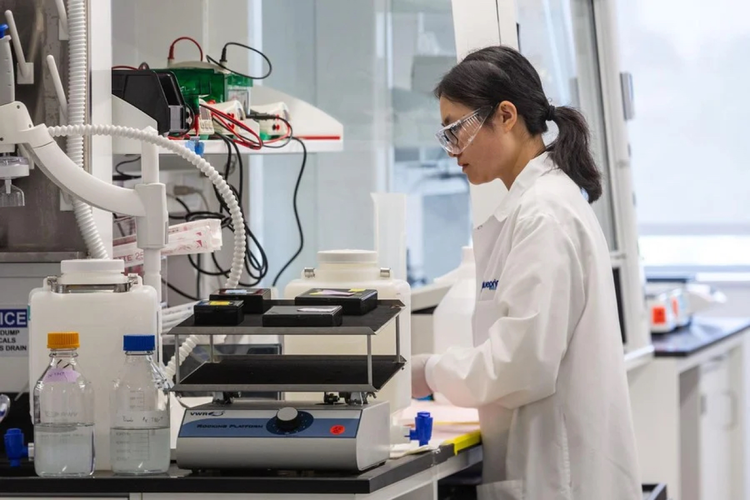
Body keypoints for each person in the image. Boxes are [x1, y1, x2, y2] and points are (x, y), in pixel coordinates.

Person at [411, 45, 641, 500]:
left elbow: (522, 364)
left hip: (561, 479)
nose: (452, 150)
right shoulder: (534, 208)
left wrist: (430, 372)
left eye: (456, 130)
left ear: (506, 115)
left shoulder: (544, 215)